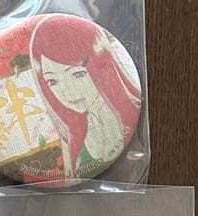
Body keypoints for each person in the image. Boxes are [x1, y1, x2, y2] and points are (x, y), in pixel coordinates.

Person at [30, 16, 142, 176]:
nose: (68, 92)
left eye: (78, 74)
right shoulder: (71, 135)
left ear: (101, 66)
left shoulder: (129, 112)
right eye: (53, 81)